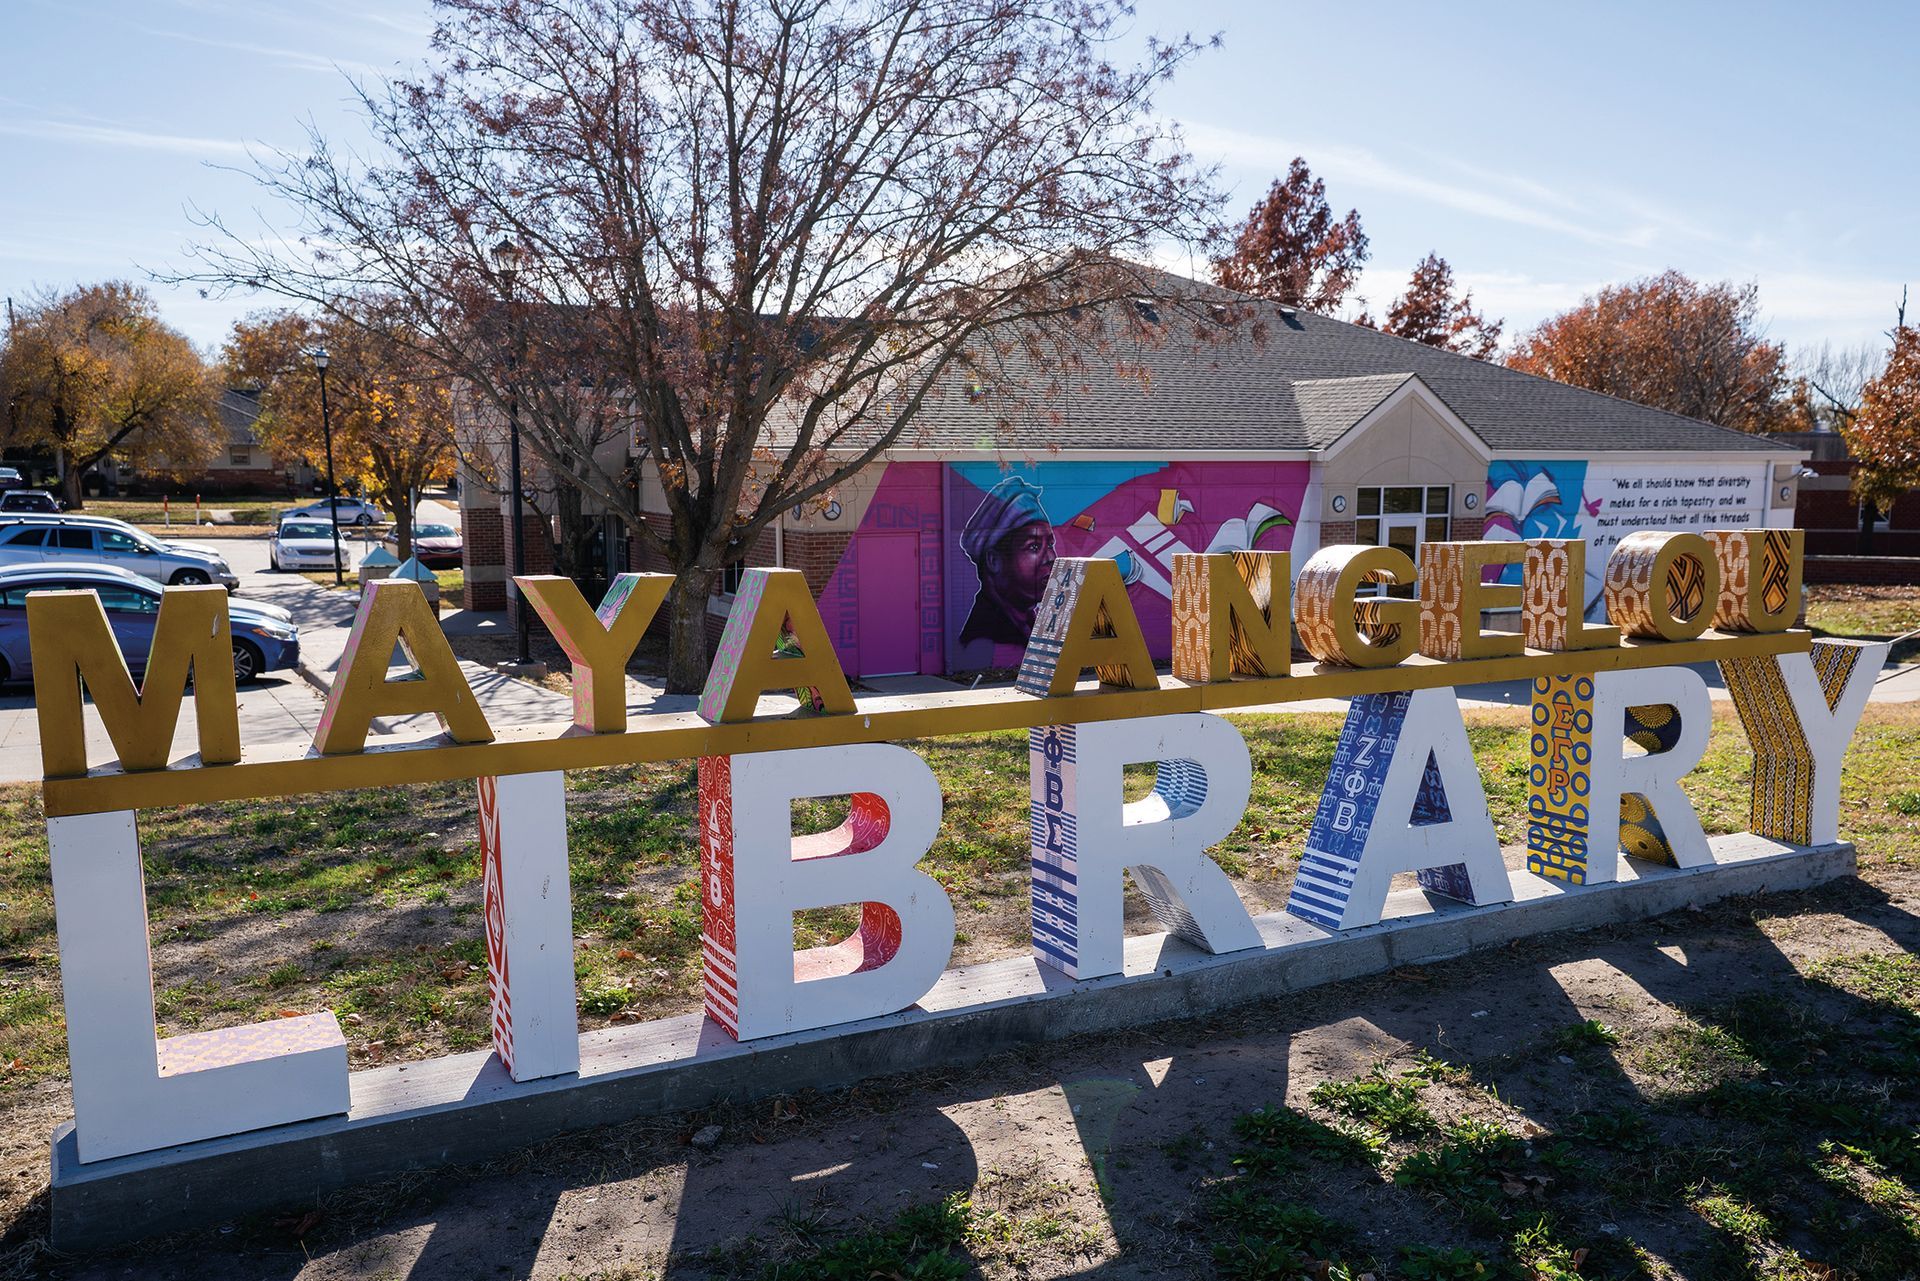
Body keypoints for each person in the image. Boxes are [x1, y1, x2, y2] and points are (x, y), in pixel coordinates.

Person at [959, 476, 1056, 646]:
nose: (1051, 557)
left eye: (1050, 544)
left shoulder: (1025, 622)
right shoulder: (986, 636)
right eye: (1034, 547)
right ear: (994, 561)